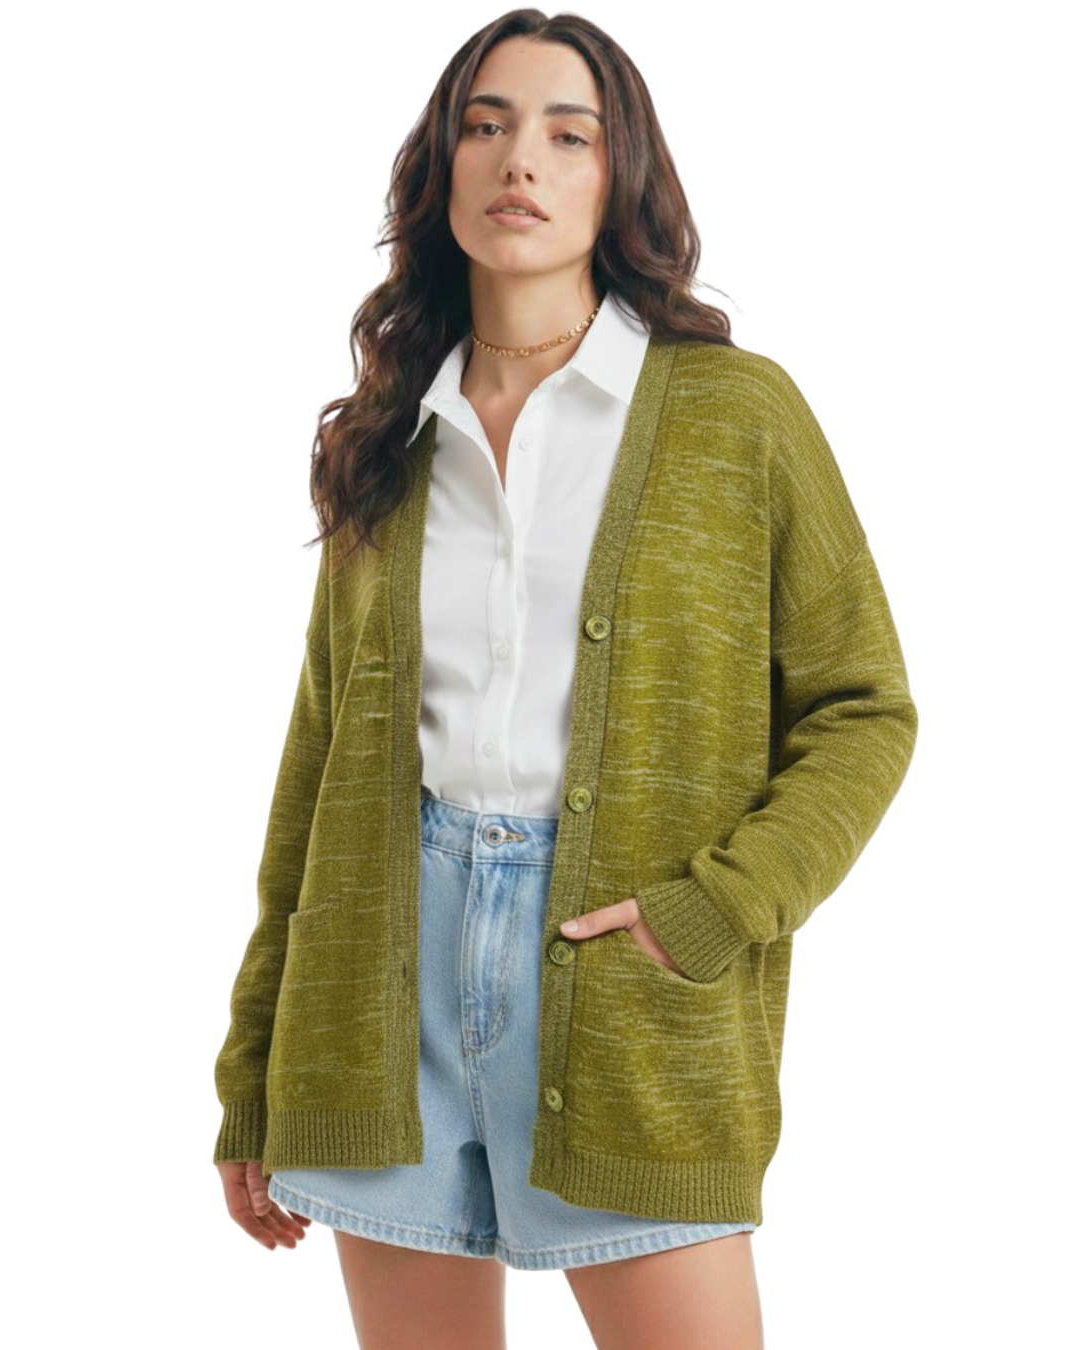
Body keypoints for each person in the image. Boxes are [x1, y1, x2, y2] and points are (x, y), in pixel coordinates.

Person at [213, 9, 918, 1349]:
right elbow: (316, 763)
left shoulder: (736, 414)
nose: (518, 159)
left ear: (619, 175)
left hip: (623, 977)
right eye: (484, 125)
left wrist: (718, 907)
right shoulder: (388, 437)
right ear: (443, 169)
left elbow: (863, 707)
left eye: (566, 132)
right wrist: (253, 1067)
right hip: (379, 987)